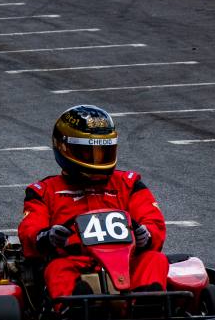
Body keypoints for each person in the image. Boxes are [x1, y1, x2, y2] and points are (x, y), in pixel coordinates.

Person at [18, 105, 169, 302]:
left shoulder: (129, 184)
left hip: (125, 263)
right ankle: (77, 306)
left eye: (103, 152)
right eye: (88, 153)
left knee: (154, 259)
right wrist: (47, 236)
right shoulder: (44, 191)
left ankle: (148, 305)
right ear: (64, 148)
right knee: (57, 268)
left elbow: (153, 221)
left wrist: (146, 235)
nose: (98, 160)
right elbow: (30, 229)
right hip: (75, 263)